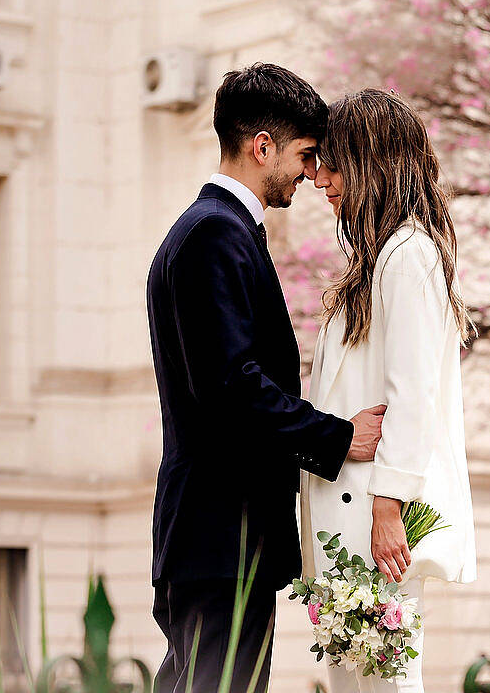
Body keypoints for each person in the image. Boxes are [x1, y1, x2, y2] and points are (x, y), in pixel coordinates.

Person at [145, 63, 387, 693]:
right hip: (220, 539)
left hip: (219, 541)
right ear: (261, 147)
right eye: (304, 155)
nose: (312, 175)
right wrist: (339, 438)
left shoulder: (215, 230)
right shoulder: (214, 234)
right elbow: (232, 384)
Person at [301, 88, 478, 693]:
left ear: (372, 163)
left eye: (335, 163)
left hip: (378, 524)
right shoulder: (377, 261)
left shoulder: (408, 256)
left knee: (387, 685)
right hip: (349, 521)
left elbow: (413, 393)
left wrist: (387, 508)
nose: (321, 180)